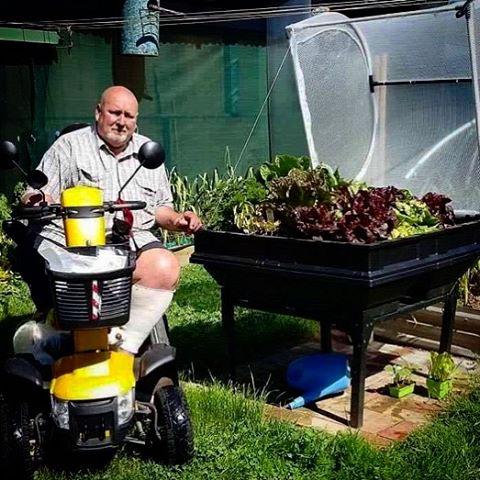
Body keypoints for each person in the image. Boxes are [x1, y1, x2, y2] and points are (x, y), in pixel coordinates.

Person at [20, 85, 202, 356]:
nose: (122, 121)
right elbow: (37, 191)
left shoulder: (147, 150)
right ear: (98, 112)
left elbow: (160, 208)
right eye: (115, 112)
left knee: (165, 267)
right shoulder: (69, 146)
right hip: (74, 242)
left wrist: (178, 220)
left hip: (131, 239)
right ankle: (62, 338)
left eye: (129, 115)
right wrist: (36, 199)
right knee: (66, 278)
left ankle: (121, 348)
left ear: (136, 119)